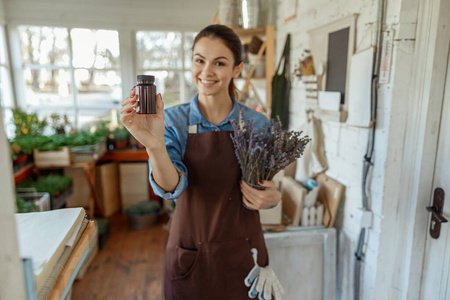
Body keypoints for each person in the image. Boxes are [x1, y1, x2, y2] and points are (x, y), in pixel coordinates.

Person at [120, 24, 282, 300]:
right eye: (199, 60)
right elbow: (172, 186)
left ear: (237, 69)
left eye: (219, 63)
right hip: (190, 256)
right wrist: (154, 145)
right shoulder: (173, 121)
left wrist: (273, 196)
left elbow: (264, 185)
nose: (206, 72)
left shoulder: (257, 124)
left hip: (245, 255)